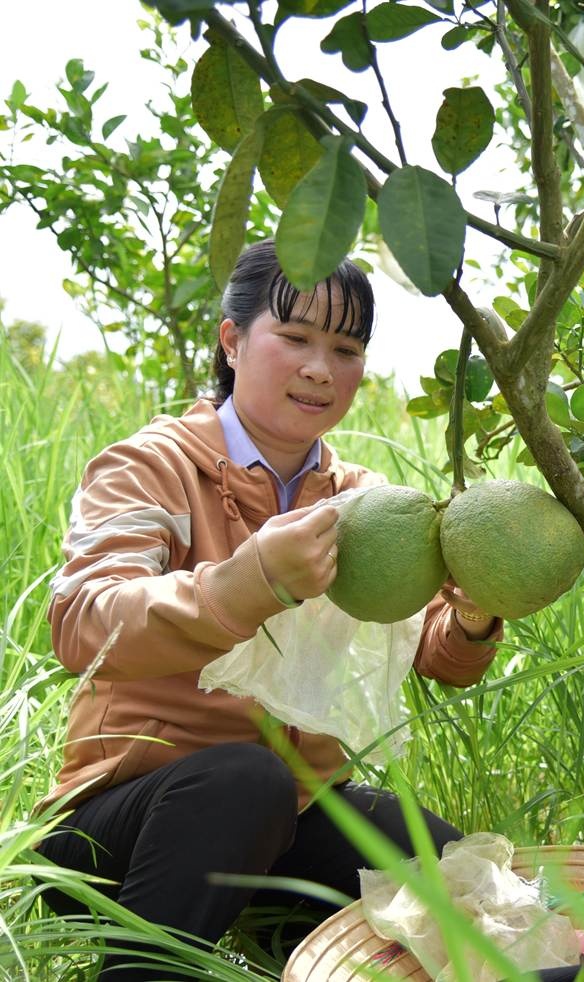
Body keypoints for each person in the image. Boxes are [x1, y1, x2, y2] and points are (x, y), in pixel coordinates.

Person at [36, 240, 504, 980]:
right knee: (242, 782)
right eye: (295, 338)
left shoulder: (360, 498)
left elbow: (434, 652)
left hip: (291, 815)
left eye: (346, 348)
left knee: (472, 889)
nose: (321, 367)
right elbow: (83, 620)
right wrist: (246, 584)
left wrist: (474, 616)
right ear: (232, 338)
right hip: (123, 824)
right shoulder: (151, 466)